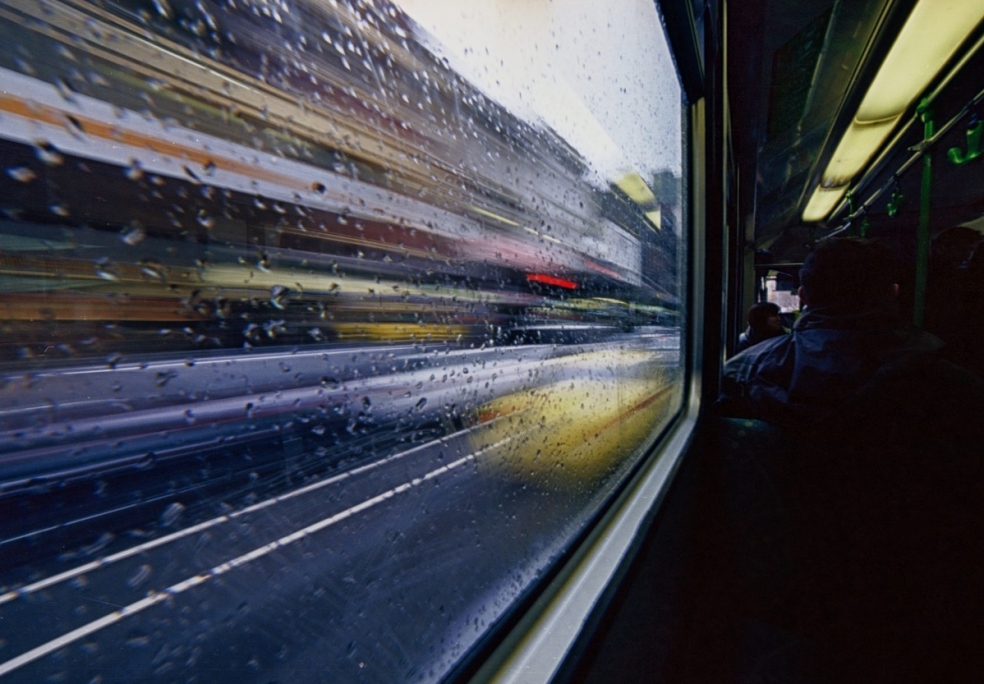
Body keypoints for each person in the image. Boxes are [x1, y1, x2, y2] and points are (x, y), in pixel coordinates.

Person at [718, 238, 984, 682]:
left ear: (802, 298)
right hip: (917, 602)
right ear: (893, 293)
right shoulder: (956, 389)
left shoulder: (741, 376)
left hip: (783, 604)